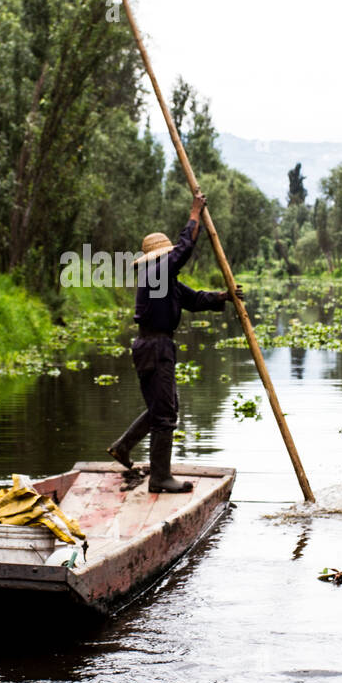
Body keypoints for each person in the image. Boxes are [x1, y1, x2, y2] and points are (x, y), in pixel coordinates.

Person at [107, 191, 243, 493]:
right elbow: (184, 249)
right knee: (165, 414)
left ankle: (123, 447)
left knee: (163, 408)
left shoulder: (160, 278)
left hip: (153, 347)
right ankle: (159, 478)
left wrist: (223, 297)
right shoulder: (157, 272)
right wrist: (194, 214)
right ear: (161, 256)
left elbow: (192, 299)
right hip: (155, 348)